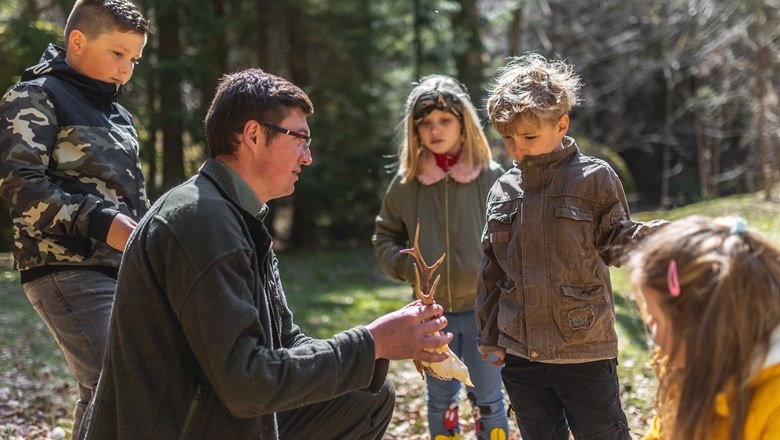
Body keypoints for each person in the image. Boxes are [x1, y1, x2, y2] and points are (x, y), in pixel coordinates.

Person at [77, 67, 453, 440]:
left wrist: (379, 346)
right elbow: (245, 383)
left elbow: (285, 343)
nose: (307, 157)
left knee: (363, 399)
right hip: (175, 427)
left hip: (214, 412)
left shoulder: (237, 216)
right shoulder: (201, 220)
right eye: (300, 138)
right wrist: (372, 341)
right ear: (253, 135)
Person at [475, 52, 667, 440]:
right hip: (520, 352)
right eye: (508, 139)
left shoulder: (594, 178)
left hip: (584, 347)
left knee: (603, 433)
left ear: (561, 124)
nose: (517, 149)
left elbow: (616, 241)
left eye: (529, 137)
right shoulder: (502, 190)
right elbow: (491, 268)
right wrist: (489, 334)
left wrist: (663, 237)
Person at [0, 1, 148, 437]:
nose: (126, 70)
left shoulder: (118, 114)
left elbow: (131, 200)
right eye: (117, 54)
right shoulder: (35, 96)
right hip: (64, 266)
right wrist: (101, 222)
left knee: (103, 387)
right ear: (77, 41)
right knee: (119, 379)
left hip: (121, 268)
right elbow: (19, 186)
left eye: (135, 59)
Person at [373, 74, 509, 440]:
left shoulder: (492, 178)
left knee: (489, 399)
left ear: (463, 124)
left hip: (486, 312)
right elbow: (384, 235)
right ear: (415, 132)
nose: (435, 130)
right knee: (440, 399)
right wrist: (408, 268)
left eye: (444, 121)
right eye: (425, 124)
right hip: (432, 316)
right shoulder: (406, 184)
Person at [627, 215, 780, 440]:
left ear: (699, 328)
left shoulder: (773, 405)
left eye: (656, 318)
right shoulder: (684, 371)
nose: (649, 325)